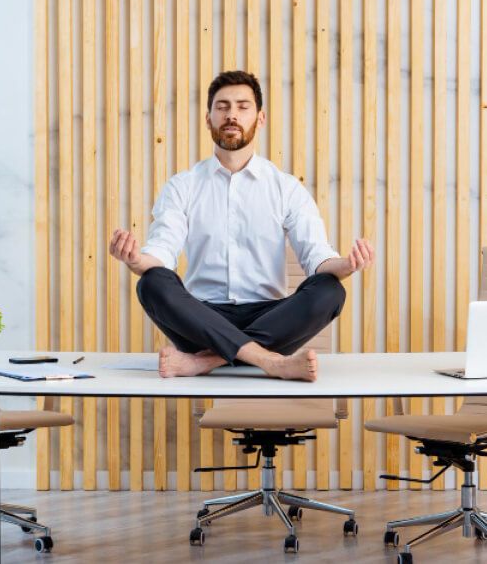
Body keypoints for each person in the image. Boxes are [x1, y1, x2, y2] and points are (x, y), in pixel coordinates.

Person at [107, 70, 374, 382]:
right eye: (222, 107)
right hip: (201, 321)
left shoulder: (286, 188)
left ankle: (204, 363)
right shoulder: (182, 186)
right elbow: (162, 251)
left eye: (242, 107)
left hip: (272, 320)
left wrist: (348, 264)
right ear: (208, 119)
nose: (231, 115)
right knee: (152, 282)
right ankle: (269, 362)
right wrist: (136, 260)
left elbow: (316, 256)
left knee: (329, 290)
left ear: (260, 119)